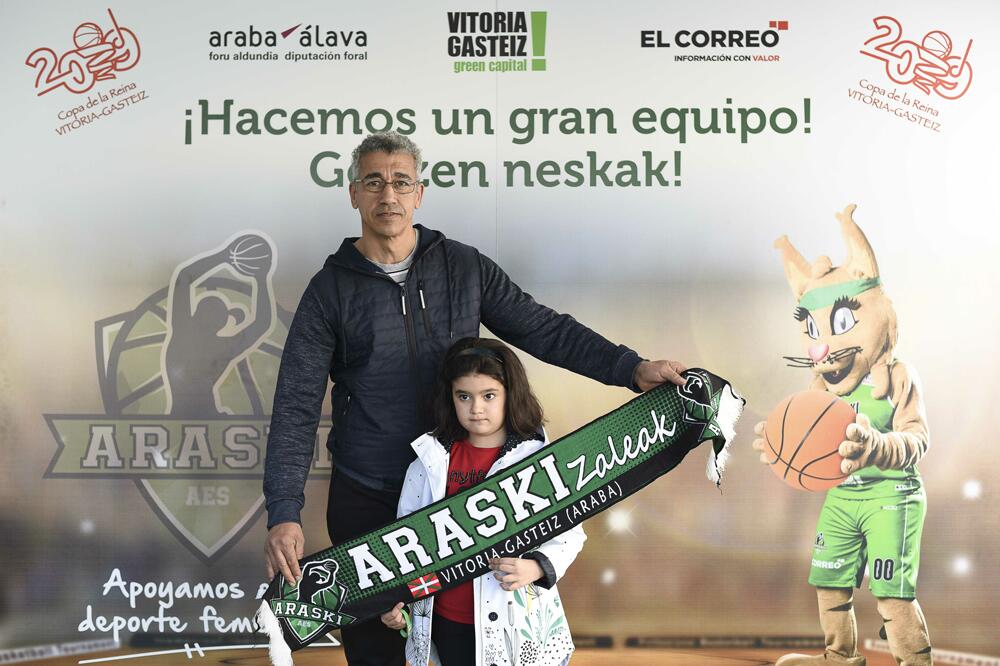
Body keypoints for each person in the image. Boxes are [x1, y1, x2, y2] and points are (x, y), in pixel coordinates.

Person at [263, 131, 687, 665]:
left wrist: (631, 368)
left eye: (400, 182)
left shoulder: (462, 266)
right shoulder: (329, 290)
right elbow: (296, 404)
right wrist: (284, 510)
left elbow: (543, 328)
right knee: (379, 653)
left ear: (420, 193)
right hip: (370, 499)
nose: (387, 195)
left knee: (468, 646)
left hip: (464, 496)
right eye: (373, 182)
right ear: (353, 194)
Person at [380, 337, 585, 666]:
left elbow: (571, 534)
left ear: (510, 395)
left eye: (489, 395)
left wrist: (535, 567)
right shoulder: (428, 461)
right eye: (464, 396)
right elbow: (405, 543)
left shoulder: (539, 461)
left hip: (517, 625)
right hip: (447, 622)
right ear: (451, 398)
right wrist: (399, 601)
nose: (476, 408)